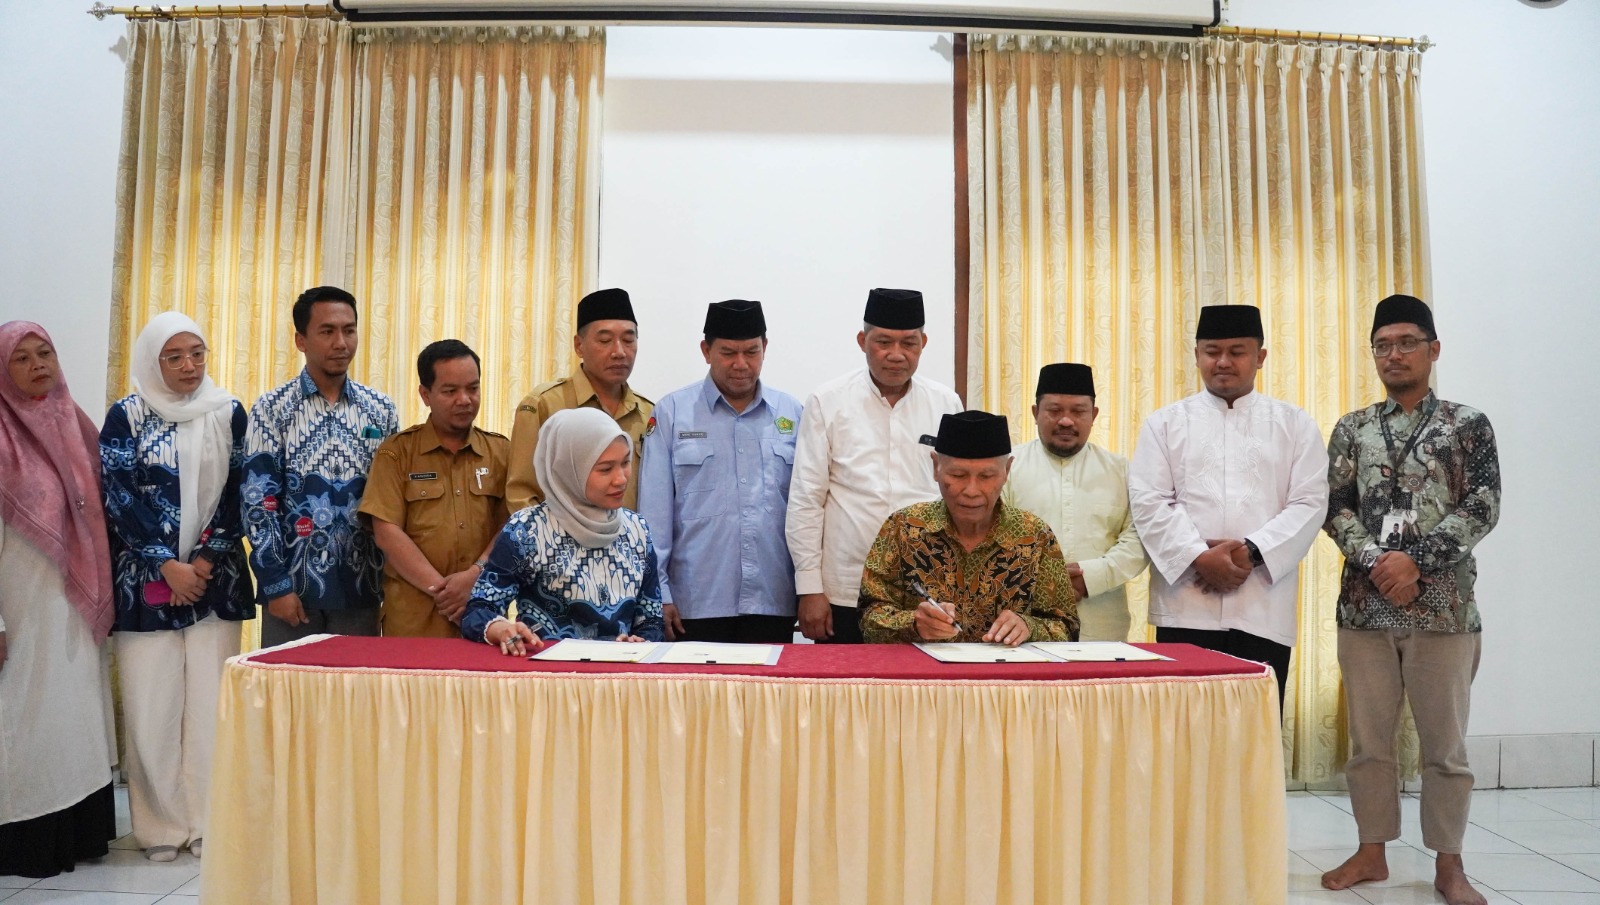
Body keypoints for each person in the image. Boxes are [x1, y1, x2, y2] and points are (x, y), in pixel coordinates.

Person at [1319, 295, 1501, 905]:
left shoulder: (1467, 424)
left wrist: (1415, 562)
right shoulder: (1353, 427)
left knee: (1444, 748)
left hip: (1444, 611)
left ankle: (1450, 864)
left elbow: (1483, 506)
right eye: (1382, 345)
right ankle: (1372, 853)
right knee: (1369, 743)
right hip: (1365, 610)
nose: (1393, 354)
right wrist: (1378, 562)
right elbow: (1333, 508)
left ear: (1433, 349)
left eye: (1405, 342)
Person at [100, 313, 254, 862]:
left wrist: (207, 558)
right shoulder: (128, 415)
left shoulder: (228, 411)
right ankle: (161, 827)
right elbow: (118, 495)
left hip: (216, 579)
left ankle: (210, 821)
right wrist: (166, 563)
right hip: (147, 585)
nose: (190, 366)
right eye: (175, 356)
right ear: (152, 361)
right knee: (152, 707)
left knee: (211, 706)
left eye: (198, 353)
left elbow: (243, 488)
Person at [1127, 304, 1327, 710]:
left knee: (1255, 734)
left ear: (1260, 357)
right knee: (1181, 731)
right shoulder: (1165, 423)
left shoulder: (1294, 424)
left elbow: (1309, 501)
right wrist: (1199, 557)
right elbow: (1149, 501)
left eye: (1237, 351)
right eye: (1211, 350)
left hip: (1262, 606)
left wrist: (1250, 552)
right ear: (1197, 355)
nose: (1222, 361)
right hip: (1185, 606)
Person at [0, 321, 118, 878]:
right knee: (28, 709)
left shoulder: (75, 422)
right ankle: (24, 834)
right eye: (20, 358)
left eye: (44, 352)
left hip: (74, 597)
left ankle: (79, 833)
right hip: (19, 600)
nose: (37, 364)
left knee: (76, 710)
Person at [786, 288, 962, 644]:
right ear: (862, 340)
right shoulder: (828, 401)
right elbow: (807, 499)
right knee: (843, 695)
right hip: (846, 590)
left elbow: (958, 497)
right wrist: (809, 589)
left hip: (926, 591)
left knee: (922, 696)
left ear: (923, 343)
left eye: (908, 343)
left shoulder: (946, 403)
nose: (896, 355)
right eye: (883, 342)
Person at [637, 300, 804, 644]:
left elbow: (807, 509)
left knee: (769, 698)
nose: (740, 364)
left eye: (751, 352)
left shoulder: (793, 413)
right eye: (728, 352)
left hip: (772, 598)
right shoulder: (672, 413)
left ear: (765, 349)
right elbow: (654, 514)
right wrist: (660, 593)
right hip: (695, 602)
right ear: (706, 350)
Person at [243, 286, 398, 646]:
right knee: (289, 698)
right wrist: (276, 584)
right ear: (301, 340)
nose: (341, 342)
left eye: (349, 330)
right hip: (293, 591)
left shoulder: (381, 410)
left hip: (362, 586)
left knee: (353, 696)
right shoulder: (273, 409)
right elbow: (257, 501)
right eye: (327, 331)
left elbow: (390, 501)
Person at [859, 410, 1078, 645]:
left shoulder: (1034, 535)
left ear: (1007, 471)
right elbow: (868, 618)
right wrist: (913, 623)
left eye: (986, 476)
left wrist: (1029, 627)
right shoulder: (903, 528)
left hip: (1005, 680)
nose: (971, 490)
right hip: (925, 679)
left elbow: (1067, 627)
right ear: (936, 467)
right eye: (958, 474)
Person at [462, 408, 665, 654]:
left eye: (625, 463)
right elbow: (480, 609)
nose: (621, 479)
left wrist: (640, 641)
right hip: (548, 682)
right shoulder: (527, 531)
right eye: (605, 469)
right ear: (568, 469)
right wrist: (500, 628)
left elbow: (651, 619)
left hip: (618, 682)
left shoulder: (637, 530)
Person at [358, 340, 511, 637]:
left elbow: (512, 526)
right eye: (450, 391)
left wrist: (474, 576)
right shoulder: (397, 452)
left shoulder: (501, 452)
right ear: (425, 394)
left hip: (482, 615)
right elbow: (386, 532)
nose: (465, 399)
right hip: (414, 621)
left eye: (473, 388)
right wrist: (446, 593)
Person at [1002, 363, 1148, 641]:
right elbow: (988, 536)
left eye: (1078, 411)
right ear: (1035, 413)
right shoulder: (1005, 469)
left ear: (1093, 415)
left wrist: (1090, 577)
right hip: (1023, 623)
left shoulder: (1122, 471)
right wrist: (1046, 581)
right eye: (1054, 411)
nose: (1066, 421)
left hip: (1102, 624)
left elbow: (1139, 539)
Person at [506, 288, 653, 513]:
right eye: (605, 340)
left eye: (628, 340)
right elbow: (522, 495)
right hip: (560, 545)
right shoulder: (544, 405)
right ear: (578, 345)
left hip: (629, 544)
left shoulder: (648, 413)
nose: (619, 352)